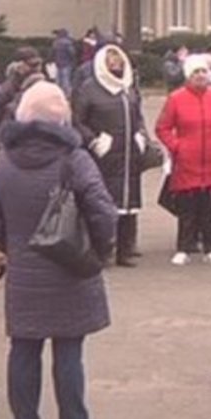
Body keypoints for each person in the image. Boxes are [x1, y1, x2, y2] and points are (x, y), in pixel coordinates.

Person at [0, 82, 117, 419]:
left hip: (25, 270)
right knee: (69, 351)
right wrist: (98, 251)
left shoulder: (3, 160)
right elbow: (103, 212)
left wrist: (13, 248)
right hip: (71, 267)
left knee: (23, 348)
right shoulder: (74, 159)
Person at [155, 54, 211, 266]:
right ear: (188, 76)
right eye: (196, 72)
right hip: (186, 162)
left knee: (210, 206)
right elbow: (162, 127)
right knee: (187, 208)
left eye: (203, 72)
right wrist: (176, 146)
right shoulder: (176, 98)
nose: (200, 76)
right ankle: (184, 247)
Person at [73, 44, 145, 267]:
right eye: (110, 60)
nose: (116, 64)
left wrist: (140, 133)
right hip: (103, 156)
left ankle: (126, 249)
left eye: (119, 60)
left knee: (128, 203)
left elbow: (137, 114)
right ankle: (102, 250)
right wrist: (93, 140)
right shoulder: (89, 89)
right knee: (102, 203)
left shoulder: (129, 88)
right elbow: (77, 121)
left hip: (128, 154)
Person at [50, 28, 77, 96]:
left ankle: (57, 93)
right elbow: (72, 53)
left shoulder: (56, 43)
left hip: (58, 63)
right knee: (66, 80)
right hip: (67, 63)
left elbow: (53, 53)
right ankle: (68, 94)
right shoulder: (68, 42)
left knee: (58, 80)